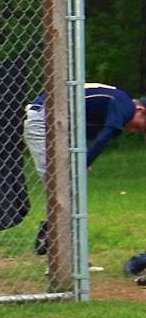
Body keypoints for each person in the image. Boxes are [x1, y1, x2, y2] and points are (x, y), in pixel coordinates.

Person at [24, 84, 146, 255]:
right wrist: (81, 165)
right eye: (139, 126)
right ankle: (56, 247)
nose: (133, 131)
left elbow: (77, 130)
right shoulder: (125, 105)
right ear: (140, 110)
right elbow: (105, 137)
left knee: (67, 191)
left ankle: (66, 254)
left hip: (54, 123)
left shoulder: (116, 103)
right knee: (62, 189)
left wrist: (82, 161)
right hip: (43, 120)